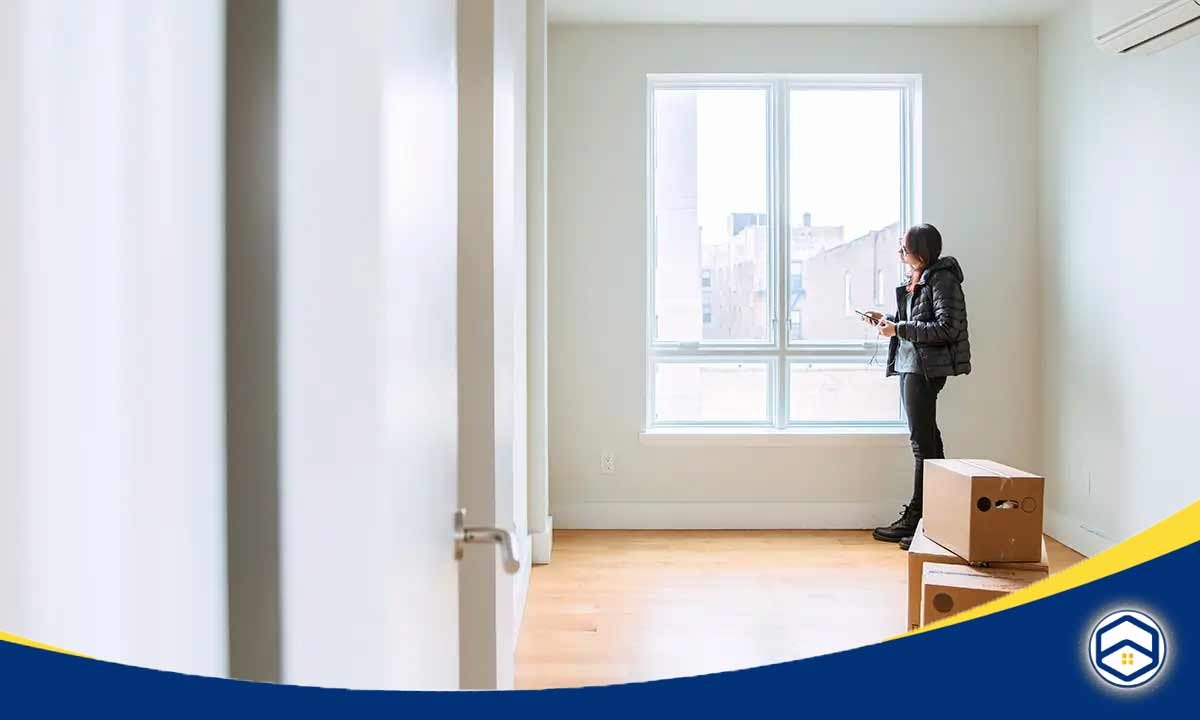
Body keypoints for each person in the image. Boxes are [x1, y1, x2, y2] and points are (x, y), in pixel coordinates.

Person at [861, 224, 971, 549]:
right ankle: (929, 520)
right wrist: (887, 321)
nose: (900, 252)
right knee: (928, 443)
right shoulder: (919, 278)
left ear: (920, 252)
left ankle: (921, 519)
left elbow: (946, 328)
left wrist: (900, 330)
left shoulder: (942, 278)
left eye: (904, 247)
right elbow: (914, 320)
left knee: (923, 445)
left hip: (925, 369)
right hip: (912, 365)